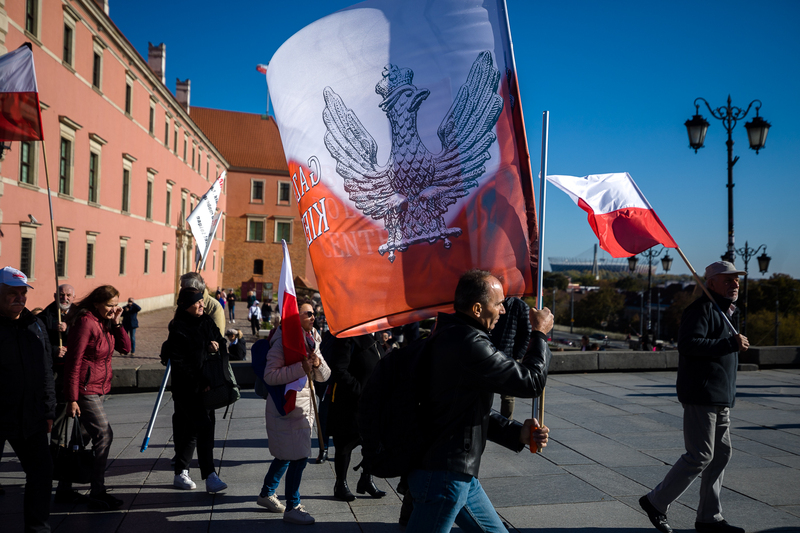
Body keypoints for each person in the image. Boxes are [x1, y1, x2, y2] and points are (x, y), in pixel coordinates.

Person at [406, 269, 551, 532]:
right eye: (498, 304)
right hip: (444, 476)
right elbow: (532, 381)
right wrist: (539, 334)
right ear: (476, 308)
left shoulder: (452, 334)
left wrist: (518, 433)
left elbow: (466, 411)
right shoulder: (469, 344)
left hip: (456, 473)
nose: (503, 311)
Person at [639, 261, 749, 533]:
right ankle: (655, 502)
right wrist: (730, 343)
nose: (734, 284)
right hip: (702, 394)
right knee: (700, 455)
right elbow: (688, 344)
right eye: (727, 280)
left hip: (719, 396)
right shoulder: (701, 310)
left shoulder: (723, 312)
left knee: (721, 454)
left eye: (736, 280)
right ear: (710, 283)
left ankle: (709, 519)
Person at [258, 299, 330, 525]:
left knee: (286, 455)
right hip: (288, 408)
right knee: (298, 458)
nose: (313, 317)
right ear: (294, 318)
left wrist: (317, 364)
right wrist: (301, 368)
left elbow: (324, 376)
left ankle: (266, 493)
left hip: (304, 407)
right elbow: (270, 375)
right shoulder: (283, 341)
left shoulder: (312, 339)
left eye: (314, 313)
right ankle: (293, 506)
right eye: (308, 314)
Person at [64, 285, 131, 510]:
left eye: (116, 305)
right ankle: (97, 490)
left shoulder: (106, 321)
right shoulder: (86, 323)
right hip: (84, 390)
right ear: (96, 303)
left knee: (80, 441)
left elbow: (126, 348)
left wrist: (118, 323)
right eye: (110, 305)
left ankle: (64, 488)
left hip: (99, 388)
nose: (114, 309)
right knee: (104, 434)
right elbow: (73, 361)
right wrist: (72, 398)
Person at [0, 267, 56, 532]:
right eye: (12, 293)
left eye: (23, 293)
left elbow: (46, 370)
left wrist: (49, 410)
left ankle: (38, 528)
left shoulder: (35, 325)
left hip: (31, 414)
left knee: (42, 473)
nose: (20, 298)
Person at [160, 288, 229, 494]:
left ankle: (181, 472)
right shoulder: (178, 328)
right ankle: (210, 475)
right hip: (187, 389)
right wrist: (200, 376)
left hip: (207, 386)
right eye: (197, 302)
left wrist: (217, 345)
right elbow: (181, 363)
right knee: (204, 427)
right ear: (186, 306)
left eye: (202, 301)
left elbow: (221, 341)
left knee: (191, 430)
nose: (201, 305)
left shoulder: (206, 321)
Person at [38, 283, 88, 504]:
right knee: (58, 428)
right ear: (55, 295)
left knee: (83, 427)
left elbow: (85, 340)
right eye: (61, 294)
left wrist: (67, 330)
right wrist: (53, 347)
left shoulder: (79, 315)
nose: (64, 297)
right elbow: (37, 344)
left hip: (77, 375)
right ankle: (56, 472)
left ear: (74, 297)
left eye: (68, 295)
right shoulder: (46, 315)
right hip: (57, 376)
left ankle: (74, 462)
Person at [329, 332, 387, 501]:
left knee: (371, 443)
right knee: (345, 444)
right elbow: (339, 369)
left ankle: (366, 479)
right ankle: (340, 484)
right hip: (350, 404)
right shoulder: (348, 338)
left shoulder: (374, 338)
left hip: (371, 405)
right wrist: (359, 391)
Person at [489, 296, 532, 420]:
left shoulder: (519, 305)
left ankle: (507, 421)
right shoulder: (518, 305)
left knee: (507, 395)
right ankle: (495, 421)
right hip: (492, 351)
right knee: (487, 391)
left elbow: (527, 332)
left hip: (507, 355)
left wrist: (517, 354)